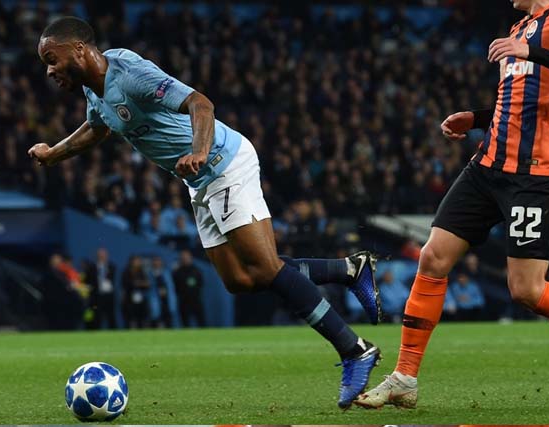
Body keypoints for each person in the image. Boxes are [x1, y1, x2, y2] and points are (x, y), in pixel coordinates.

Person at [27, 16, 381, 407]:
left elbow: (201, 103)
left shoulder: (129, 74)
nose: (49, 69)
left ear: (78, 49)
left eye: (52, 58)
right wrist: (54, 152)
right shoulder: (94, 89)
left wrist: (197, 150)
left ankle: (354, 349)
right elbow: (99, 127)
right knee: (240, 280)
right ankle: (349, 270)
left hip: (221, 162)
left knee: (264, 268)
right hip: (199, 180)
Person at [356, 0, 549, 409]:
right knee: (432, 257)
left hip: (533, 174)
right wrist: (477, 117)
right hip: (485, 167)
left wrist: (532, 52)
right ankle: (405, 378)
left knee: (527, 290)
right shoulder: (520, 27)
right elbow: (519, 103)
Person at [85, 247, 117, 329]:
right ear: (97, 256)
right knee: (97, 317)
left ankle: (114, 335)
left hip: (109, 296)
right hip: (96, 297)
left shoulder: (111, 267)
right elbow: (87, 282)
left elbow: (111, 280)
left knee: (111, 317)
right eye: (100, 255)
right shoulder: (91, 268)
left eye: (104, 255)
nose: (102, 257)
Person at [172, 250, 205, 327]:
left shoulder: (196, 271)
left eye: (187, 257)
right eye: (183, 258)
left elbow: (201, 284)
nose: (185, 259)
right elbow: (175, 287)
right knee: (185, 323)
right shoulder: (177, 272)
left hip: (196, 300)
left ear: (191, 258)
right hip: (184, 301)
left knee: (201, 322)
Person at [121, 255, 151, 328]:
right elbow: (127, 284)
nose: (138, 263)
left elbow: (147, 284)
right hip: (130, 300)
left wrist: (139, 283)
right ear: (131, 262)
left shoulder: (142, 272)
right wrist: (138, 283)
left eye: (139, 261)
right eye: (136, 261)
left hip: (141, 300)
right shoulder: (126, 272)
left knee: (143, 319)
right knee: (131, 320)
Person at [150, 256, 178, 328]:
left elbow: (170, 286)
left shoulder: (167, 273)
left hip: (167, 300)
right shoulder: (149, 274)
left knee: (169, 320)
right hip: (155, 301)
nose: (157, 263)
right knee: (156, 320)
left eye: (158, 261)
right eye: (155, 261)